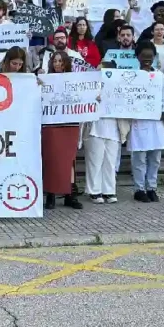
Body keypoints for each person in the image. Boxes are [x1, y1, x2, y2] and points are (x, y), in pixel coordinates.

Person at [128, 41, 164, 202]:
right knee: (139, 158)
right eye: (143, 57)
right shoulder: (132, 76)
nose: (147, 60)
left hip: (156, 122)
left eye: (150, 57)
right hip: (139, 122)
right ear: (137, 57)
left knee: (155, 158)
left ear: (154, 57)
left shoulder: (159, 76)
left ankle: (152, 187)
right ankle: (139, 189)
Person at [40, 51, 82, 210]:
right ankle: (50, 194)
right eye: (55, 61)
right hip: (51, 124)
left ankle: (69, 194)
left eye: (60, 61)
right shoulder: (45, 79)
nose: (57, 64)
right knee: (51, 158)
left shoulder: (75, 80)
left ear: (66, 63)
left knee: (69, 160)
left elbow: (84, 96)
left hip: (69, 124)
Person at [83, 61, 121, 204]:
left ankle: (109, 190)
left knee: (110, 161)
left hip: (114, 127)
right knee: (95, 160)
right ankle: (94, 190)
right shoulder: (90, 87)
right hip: (95, 127)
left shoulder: (119, 87)